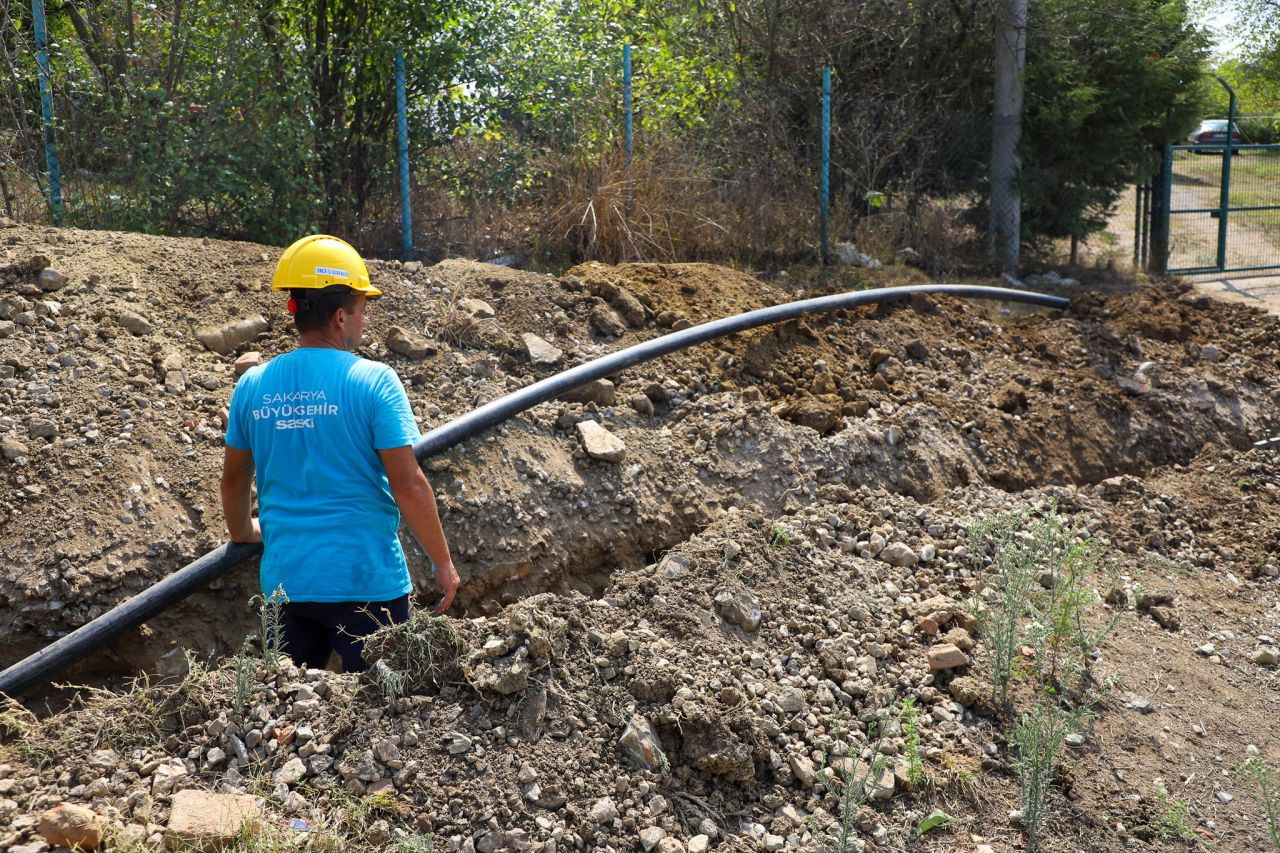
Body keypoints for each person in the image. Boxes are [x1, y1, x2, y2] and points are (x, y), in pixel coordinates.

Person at [219, 234, 460, 672]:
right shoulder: (375, 381)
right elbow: (408, 484)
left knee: (289, 719)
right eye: (360, 310)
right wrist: (443, 563)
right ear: (338, 316)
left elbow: (234, 479)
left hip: (286, 587)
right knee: (380, 714)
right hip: (366, 582)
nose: (363, 322)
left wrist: (242, 532)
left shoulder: (252, 385)